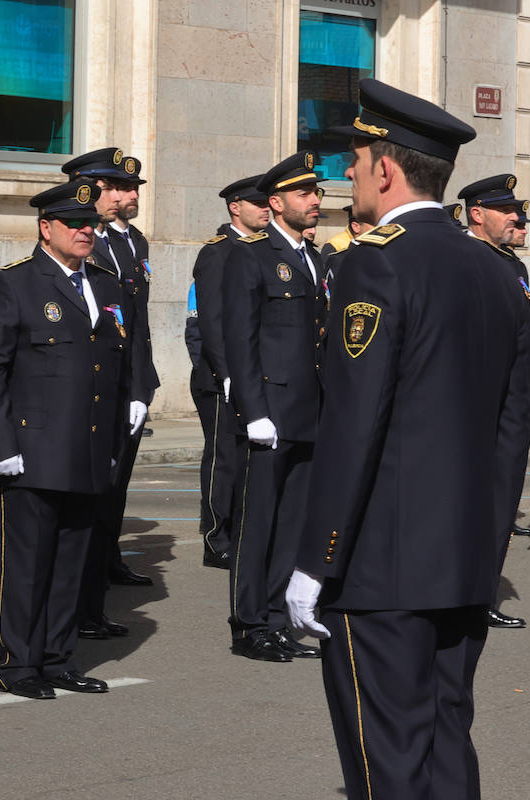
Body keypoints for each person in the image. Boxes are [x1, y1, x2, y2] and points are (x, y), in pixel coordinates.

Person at [286, 78, 530, 799]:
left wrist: (316, 559)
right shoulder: (493, 272)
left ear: (386, 169)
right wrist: (488, 543)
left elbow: (354, 421)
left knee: (384, 759)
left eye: (355, 166)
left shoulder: (377, 259)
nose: (347, 181)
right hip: (463, 557)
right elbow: (511, 430)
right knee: (445, 738)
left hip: (381, 567)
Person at [0, 178, 124, 700]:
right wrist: (1, 446)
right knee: (28, 567)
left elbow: (110, 365)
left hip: (87, 446)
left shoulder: (104, 285)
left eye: (93, 225)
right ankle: (19, 666)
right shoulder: (15, 285)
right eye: (76, 224)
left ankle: (58, 659)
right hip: (32, 451)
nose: (87, 232)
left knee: (70, 567)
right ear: (45, 227)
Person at [222, 151, 326, 662]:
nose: (316, 200)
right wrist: (253, 409)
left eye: (317, 192)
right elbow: (240, 340)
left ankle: (277, 618)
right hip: (269, 412)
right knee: (257, 523)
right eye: (306, 193)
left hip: (308, 410)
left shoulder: (315, 258)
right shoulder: (251, 255)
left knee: (292, 525)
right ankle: (248, 623)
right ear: (276, 201)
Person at [60, 148, 152, 639]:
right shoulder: (83, 244)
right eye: (119, 187)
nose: (129, 195)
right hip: (94, 387)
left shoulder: (130, 241)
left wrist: (142, 383)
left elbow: (135, 323)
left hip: (126, 379)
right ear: (90, 188)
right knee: (89, 499)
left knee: (112, 493)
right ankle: (80, 600)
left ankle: (104, 566)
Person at [457, 175, 530, 629]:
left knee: (502, 505)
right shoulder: (458, 259)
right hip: (471, 407)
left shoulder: (513, 265)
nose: (516, 218)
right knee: (466, 506)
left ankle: (483, 593)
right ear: (477, 214)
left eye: (517, 211)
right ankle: (461, 594)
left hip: (512, 405)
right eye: (506, 211)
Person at [188, 174, 269, 569]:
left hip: (252, 375)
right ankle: (215, 537)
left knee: (248, 460)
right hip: (220, 378)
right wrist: (229, 373)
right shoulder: (218, 253)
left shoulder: (260, 250)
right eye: (258, 203)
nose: (267, 208)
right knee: (223, 459)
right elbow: (213, 322)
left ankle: (239, 532)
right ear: (235, 207)